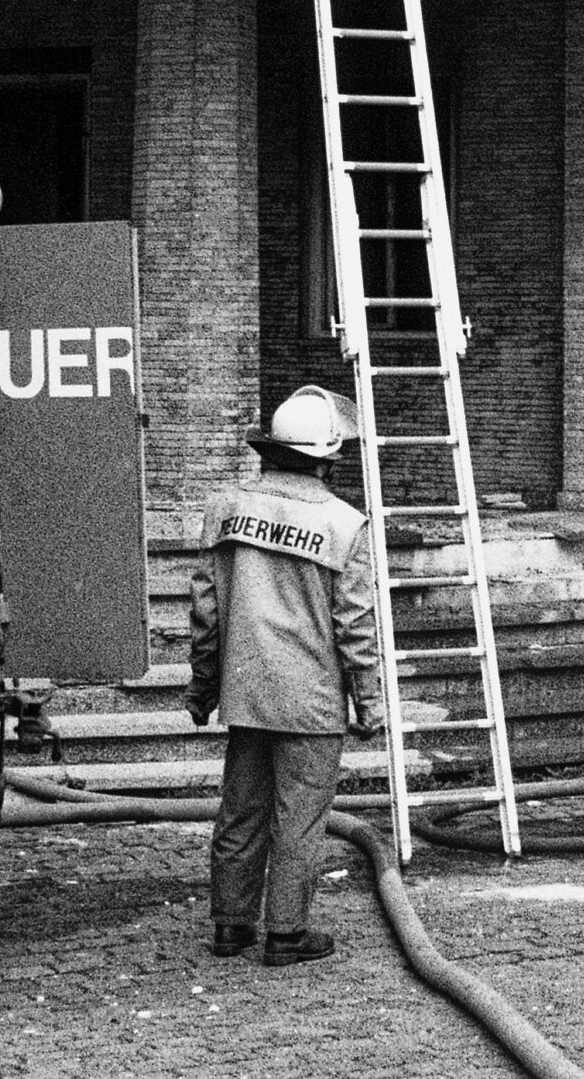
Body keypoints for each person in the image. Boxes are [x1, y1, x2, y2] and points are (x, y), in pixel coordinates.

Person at [184, 385, 386, 965]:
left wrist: (203, 689)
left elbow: (206, 614)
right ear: (327, 457)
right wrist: (369, 703)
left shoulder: (224, 510)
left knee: (240, 811)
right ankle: (286, 935)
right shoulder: (345, 525)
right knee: (299, 819)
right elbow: (355, 628)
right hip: (311, 700)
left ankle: (231, 926)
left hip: (245, 691)